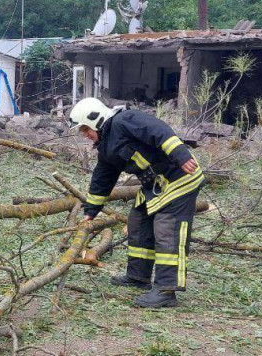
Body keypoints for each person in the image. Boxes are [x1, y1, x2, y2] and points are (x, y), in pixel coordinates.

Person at [69, 97, 203, 308]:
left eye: (85, 129)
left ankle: (166, 291)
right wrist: (91, 211)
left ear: (95, 119)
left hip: (179, 177)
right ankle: (138, 276)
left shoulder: (125, 120)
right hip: (155, 185)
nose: (84, 134)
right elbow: (102, 177)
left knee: (168, 229)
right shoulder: (106, 146)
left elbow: (159, 130)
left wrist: (181, 154)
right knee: (138, 221)